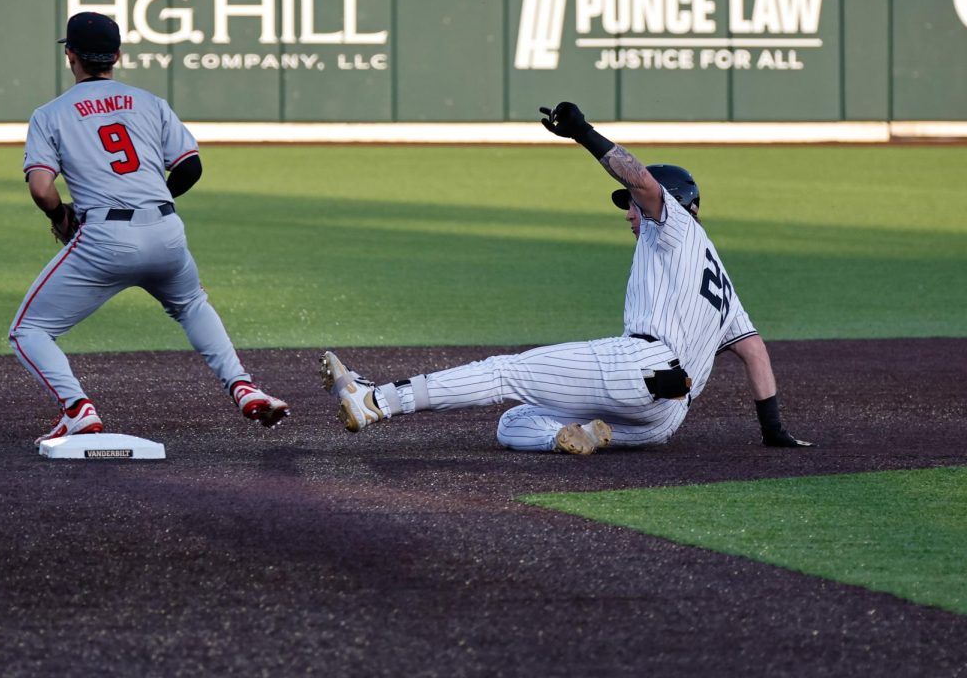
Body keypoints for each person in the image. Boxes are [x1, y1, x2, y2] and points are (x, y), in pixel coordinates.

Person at [321, 101, 811, 455]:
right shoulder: (719, 277)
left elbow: (640, 180)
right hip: (663, 417)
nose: (630, 213)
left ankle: (375, 401)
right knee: (513, 423)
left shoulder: (675, 225)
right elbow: (754, 352)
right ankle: (568, 437)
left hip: (642, 365)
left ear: (678, 205)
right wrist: (772, 430)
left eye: (635, 207)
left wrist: (584, 133)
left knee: (503, 372)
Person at [11, 12, 289, 445]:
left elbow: (42, 188)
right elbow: (190, 167)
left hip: (104, 239)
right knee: (192, 304)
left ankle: (77, 409)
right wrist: (150, 202)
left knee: (28, 330)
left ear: (71, 57)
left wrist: (60, 218)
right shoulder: (150, 102)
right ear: (117, 56)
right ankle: (244, 387)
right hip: (166, 232)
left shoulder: (50, 115)